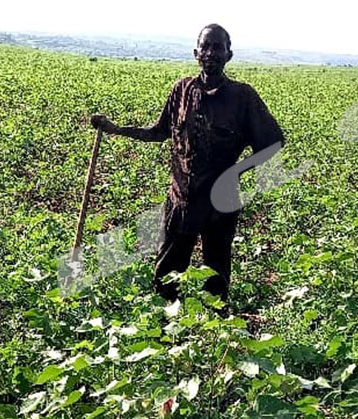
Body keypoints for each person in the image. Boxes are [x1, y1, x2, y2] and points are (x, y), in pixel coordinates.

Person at [91, 24, 284, 305]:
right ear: (196, 53)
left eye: (218, 47)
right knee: (166, 273)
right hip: (181, 199)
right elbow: (159, 132)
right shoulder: (181, 90)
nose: (210, 53)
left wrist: (236, 171)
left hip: (221, 203)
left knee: (216, 276)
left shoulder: (243, 98)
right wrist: (117, 129)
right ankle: (164, 328)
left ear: (229, 54)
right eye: (205, 47)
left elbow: (273, 143)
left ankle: (213, 335)